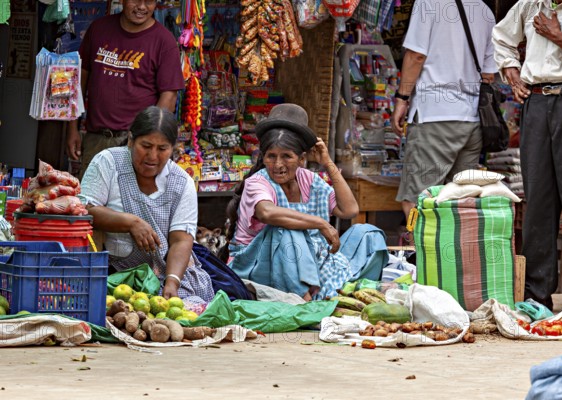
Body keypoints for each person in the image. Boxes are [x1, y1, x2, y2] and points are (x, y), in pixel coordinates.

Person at [492, 1, 562, 309]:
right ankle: (535, 295)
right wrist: (510, 69)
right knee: (538, 199)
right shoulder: (530, 3)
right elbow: (501, 36)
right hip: (537, 103)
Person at [226, 104, 388, 301]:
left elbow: (350, 209)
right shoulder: (258, 182)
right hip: (260, 267)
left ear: (302, 159)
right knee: (287, 229)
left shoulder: (309, 179)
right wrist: (320, 223)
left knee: (368, 234)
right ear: (263, 157)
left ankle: (348, 294)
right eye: (271, 156)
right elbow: (268, 213)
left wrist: (327, 163)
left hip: (313, 262)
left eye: (287, 156)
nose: (278, 165)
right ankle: (306, 303)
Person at [80, 106, 214, 311]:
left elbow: (181, 239)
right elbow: (85, 210)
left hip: (165, 272)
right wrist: (130, 222)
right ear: (131, 140)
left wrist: (172, 282)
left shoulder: (181, 182)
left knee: (185, 311)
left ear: (173, 149)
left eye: (162, 149)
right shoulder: (108, 162)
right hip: (113, 273)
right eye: (146, 146)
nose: (152, 156)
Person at [391, 0, 496, 237]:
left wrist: (402, 98)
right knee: (459, 203)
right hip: (471, 120)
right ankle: (451, 264)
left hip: (434, 116)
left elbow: (416, 55)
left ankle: (420, 258)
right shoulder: (485, 11)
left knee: (416, 201)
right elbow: (489, 74)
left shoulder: (429, 3)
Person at [67, 0, 185, 178]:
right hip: (96, 139)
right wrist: (72, 128)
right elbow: (79, 82)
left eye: (149, 1)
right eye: (136, 0)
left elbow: (168, 98)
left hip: (135, 144)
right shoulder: (99, 29)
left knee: (132, 203)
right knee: (91, 202)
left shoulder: (164, 41)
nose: (142, 7)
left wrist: (146, 144)